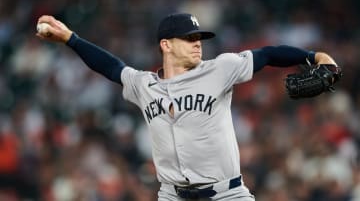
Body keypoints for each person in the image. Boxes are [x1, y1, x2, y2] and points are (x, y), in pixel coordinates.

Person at [36, 13, 338, 201]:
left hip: (226, 194)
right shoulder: (144, 85)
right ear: (166, 44)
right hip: (172, 195)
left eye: (199, 38)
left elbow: (270, 54)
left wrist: (314, 57)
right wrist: (70, 39)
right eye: (189, 38)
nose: (198, 43)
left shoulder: (220, 69)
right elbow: (111, 67)